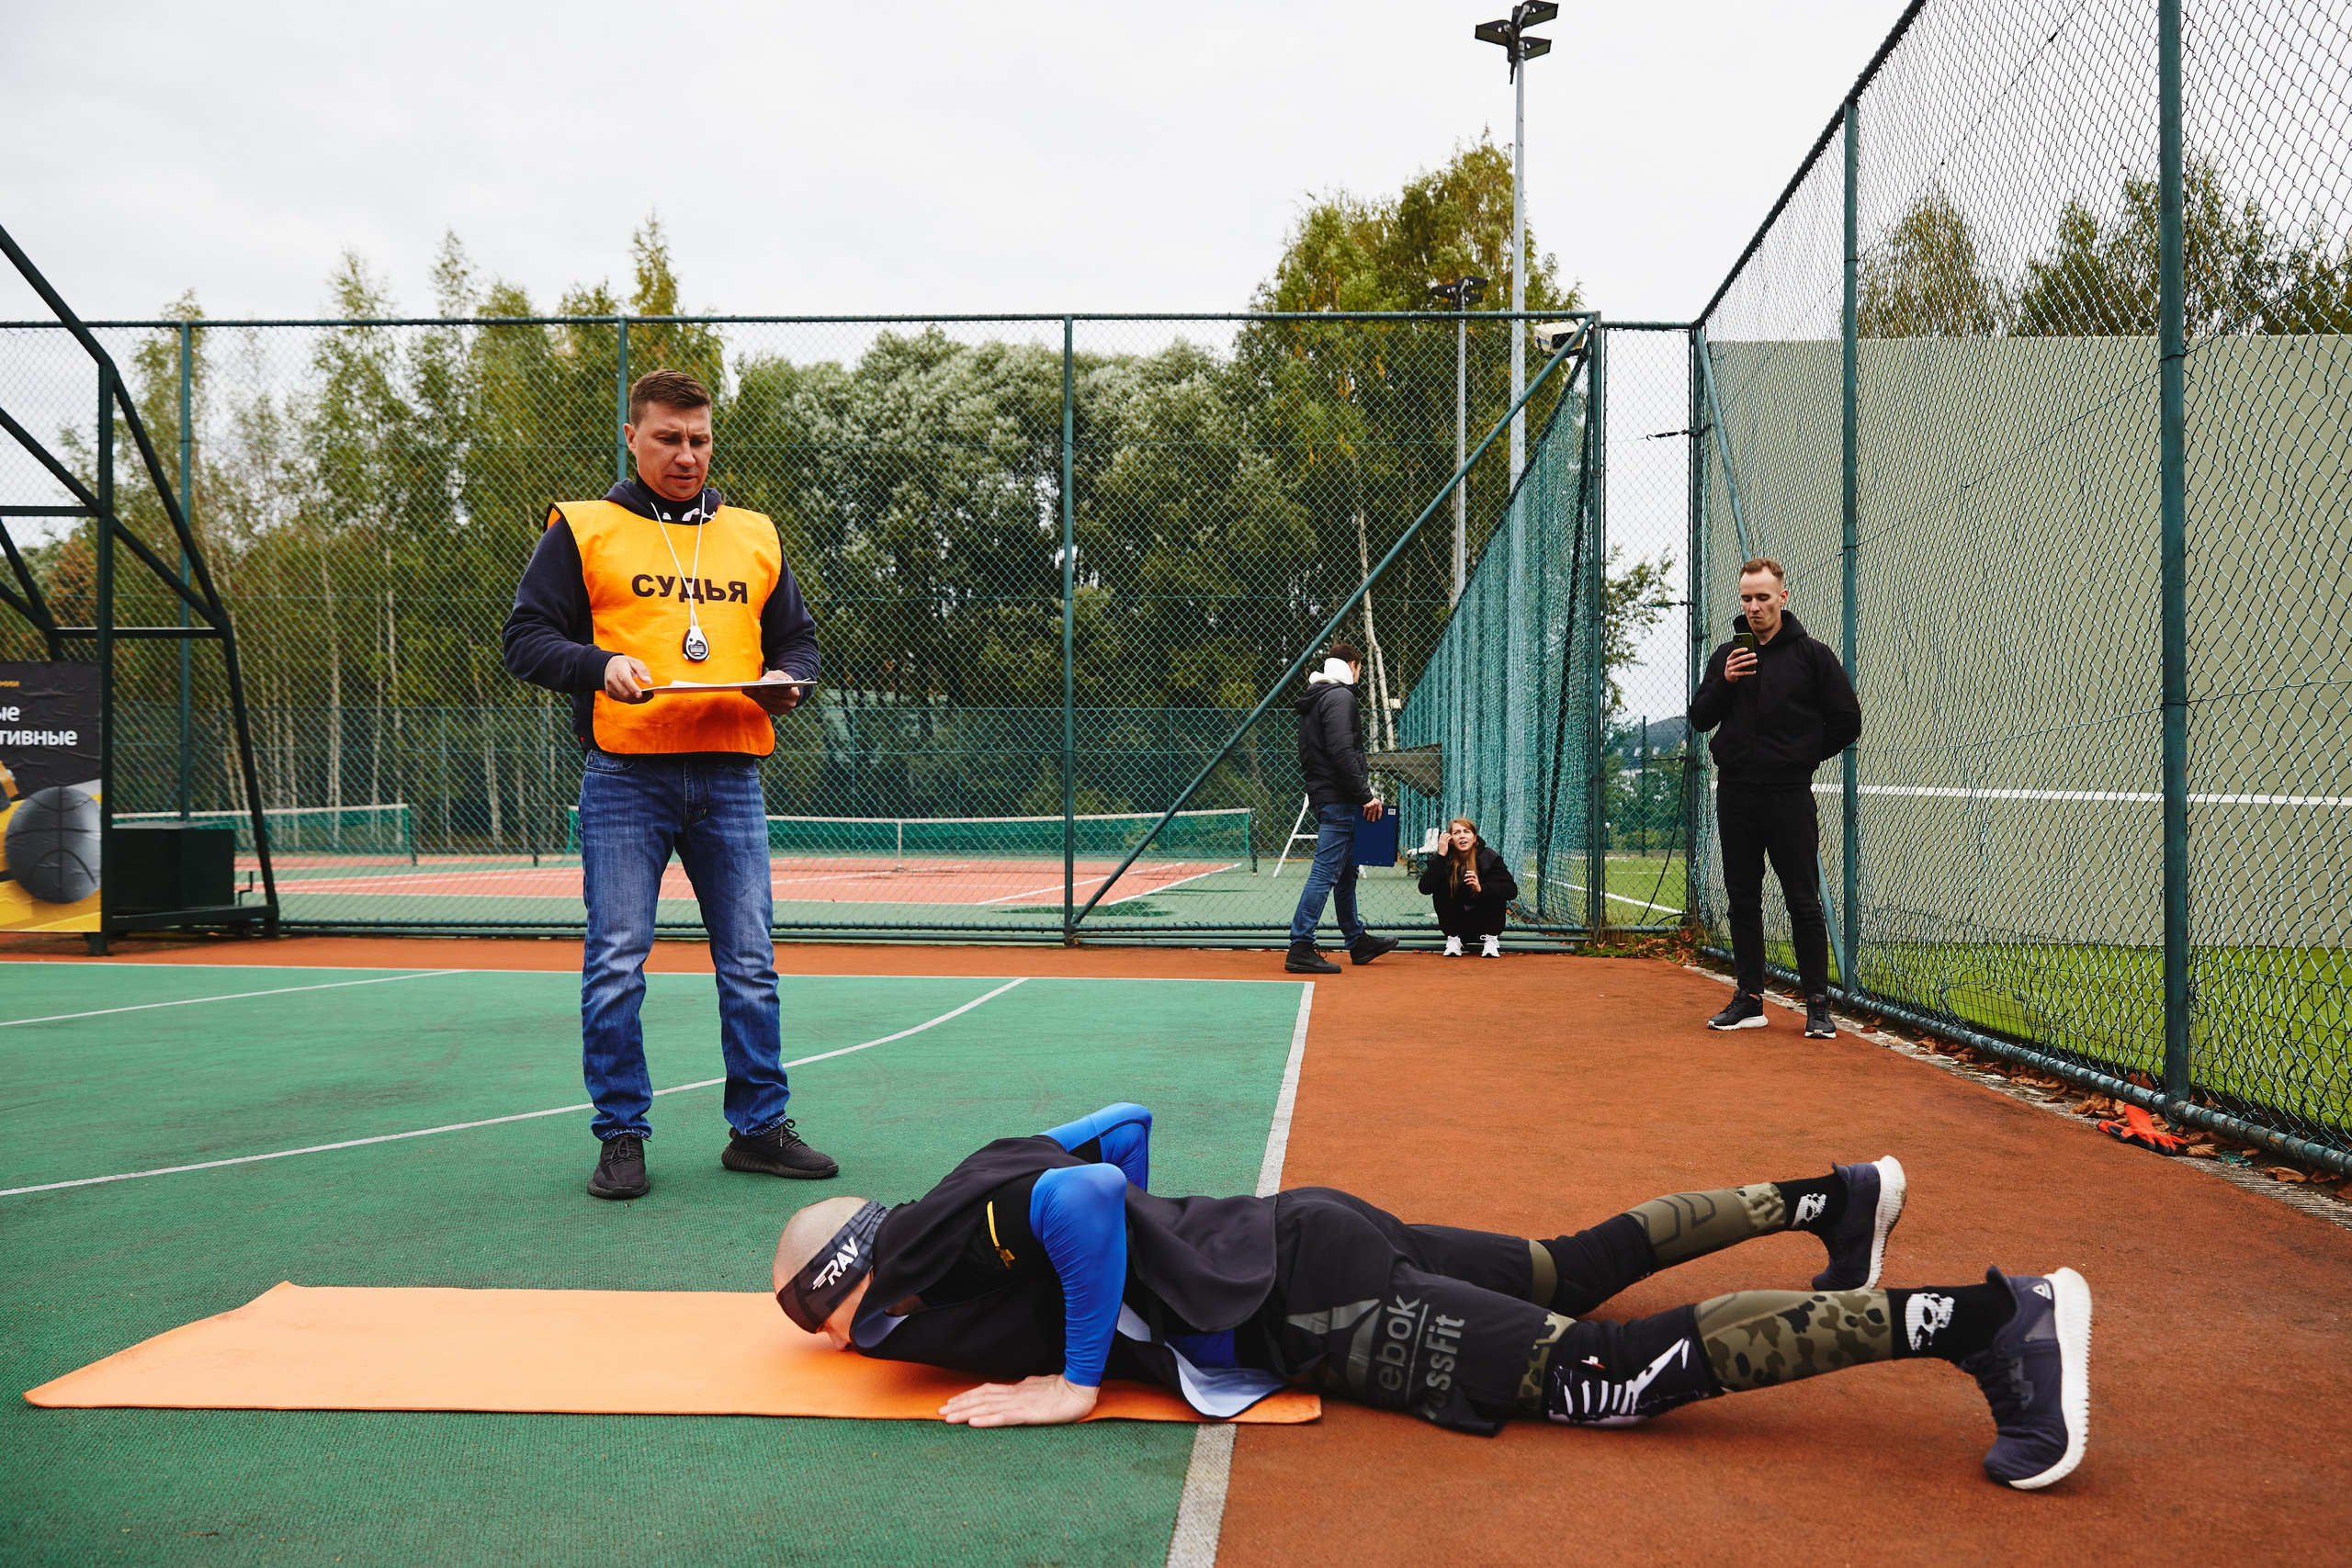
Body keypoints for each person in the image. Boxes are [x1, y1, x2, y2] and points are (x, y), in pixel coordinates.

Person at [770, 1105, 2092, 1490]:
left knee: (1607, 1369)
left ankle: (1990, 1318)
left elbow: (1081, 1202)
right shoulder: (956, 1188)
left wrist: (1075, 1372)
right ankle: (1837, 1196)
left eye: (822, 1318)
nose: (848, 1341)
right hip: (1303, 1230)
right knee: (1568, 1262)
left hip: (1308, 1301)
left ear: (850, 1286)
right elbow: (1113, 1138)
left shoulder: (925, 1261)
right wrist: (1173, 1266)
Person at [502, 367, 836, 1201]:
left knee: (751, 962)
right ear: (633, 436)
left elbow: (797, 639)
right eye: (669, 438)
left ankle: (759, 1128)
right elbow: (524, 639)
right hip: (626, 777)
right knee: (616, 962)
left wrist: (789, 678)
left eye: (700, 439)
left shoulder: (754, 533)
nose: (687, 455)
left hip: (730, 773)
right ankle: (621, 1135)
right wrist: (598, 663)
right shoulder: (584, 529)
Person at [1688, 558, 1862, 1040]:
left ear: (1783, 597)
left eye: (1763, 597)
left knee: (1802, 901)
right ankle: (1749, 999)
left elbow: (1847, 721)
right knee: (1742, 897)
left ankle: (1818, 1006)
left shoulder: (1813, 656)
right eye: (1746, 598)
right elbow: (1701, 719)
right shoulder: (1727, 654)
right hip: (1736, 793)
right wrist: (1726, 681)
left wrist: (1801, 756)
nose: (1754, 606)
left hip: (1788, 795)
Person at [1286, 641, 1398, 975]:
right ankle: (1300, 946)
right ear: (1353, 665)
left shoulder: (1318, 697)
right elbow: (1341, 749)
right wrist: (1365, 795)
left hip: (1328, 796)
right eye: (1360, 668)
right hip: (1340, 799)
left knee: (1346, 871)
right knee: (1325, 871)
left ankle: (1357, 941)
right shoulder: (1340, 696)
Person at [1419, 816, 1517, 956]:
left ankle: (1491, 940)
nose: (1462, 836)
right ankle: (1453, 940)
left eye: (1466, 831)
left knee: (1496, 890)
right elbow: (1425, 888)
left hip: (1485, 924)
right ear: (1450, 839)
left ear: (1475, 837)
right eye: (1457, 833)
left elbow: (1511, 890)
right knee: (1440, 886)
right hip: (1457, 926)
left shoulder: (1489, 857)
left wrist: (1481, 888)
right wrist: (1440, 856)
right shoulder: (1445, 859)